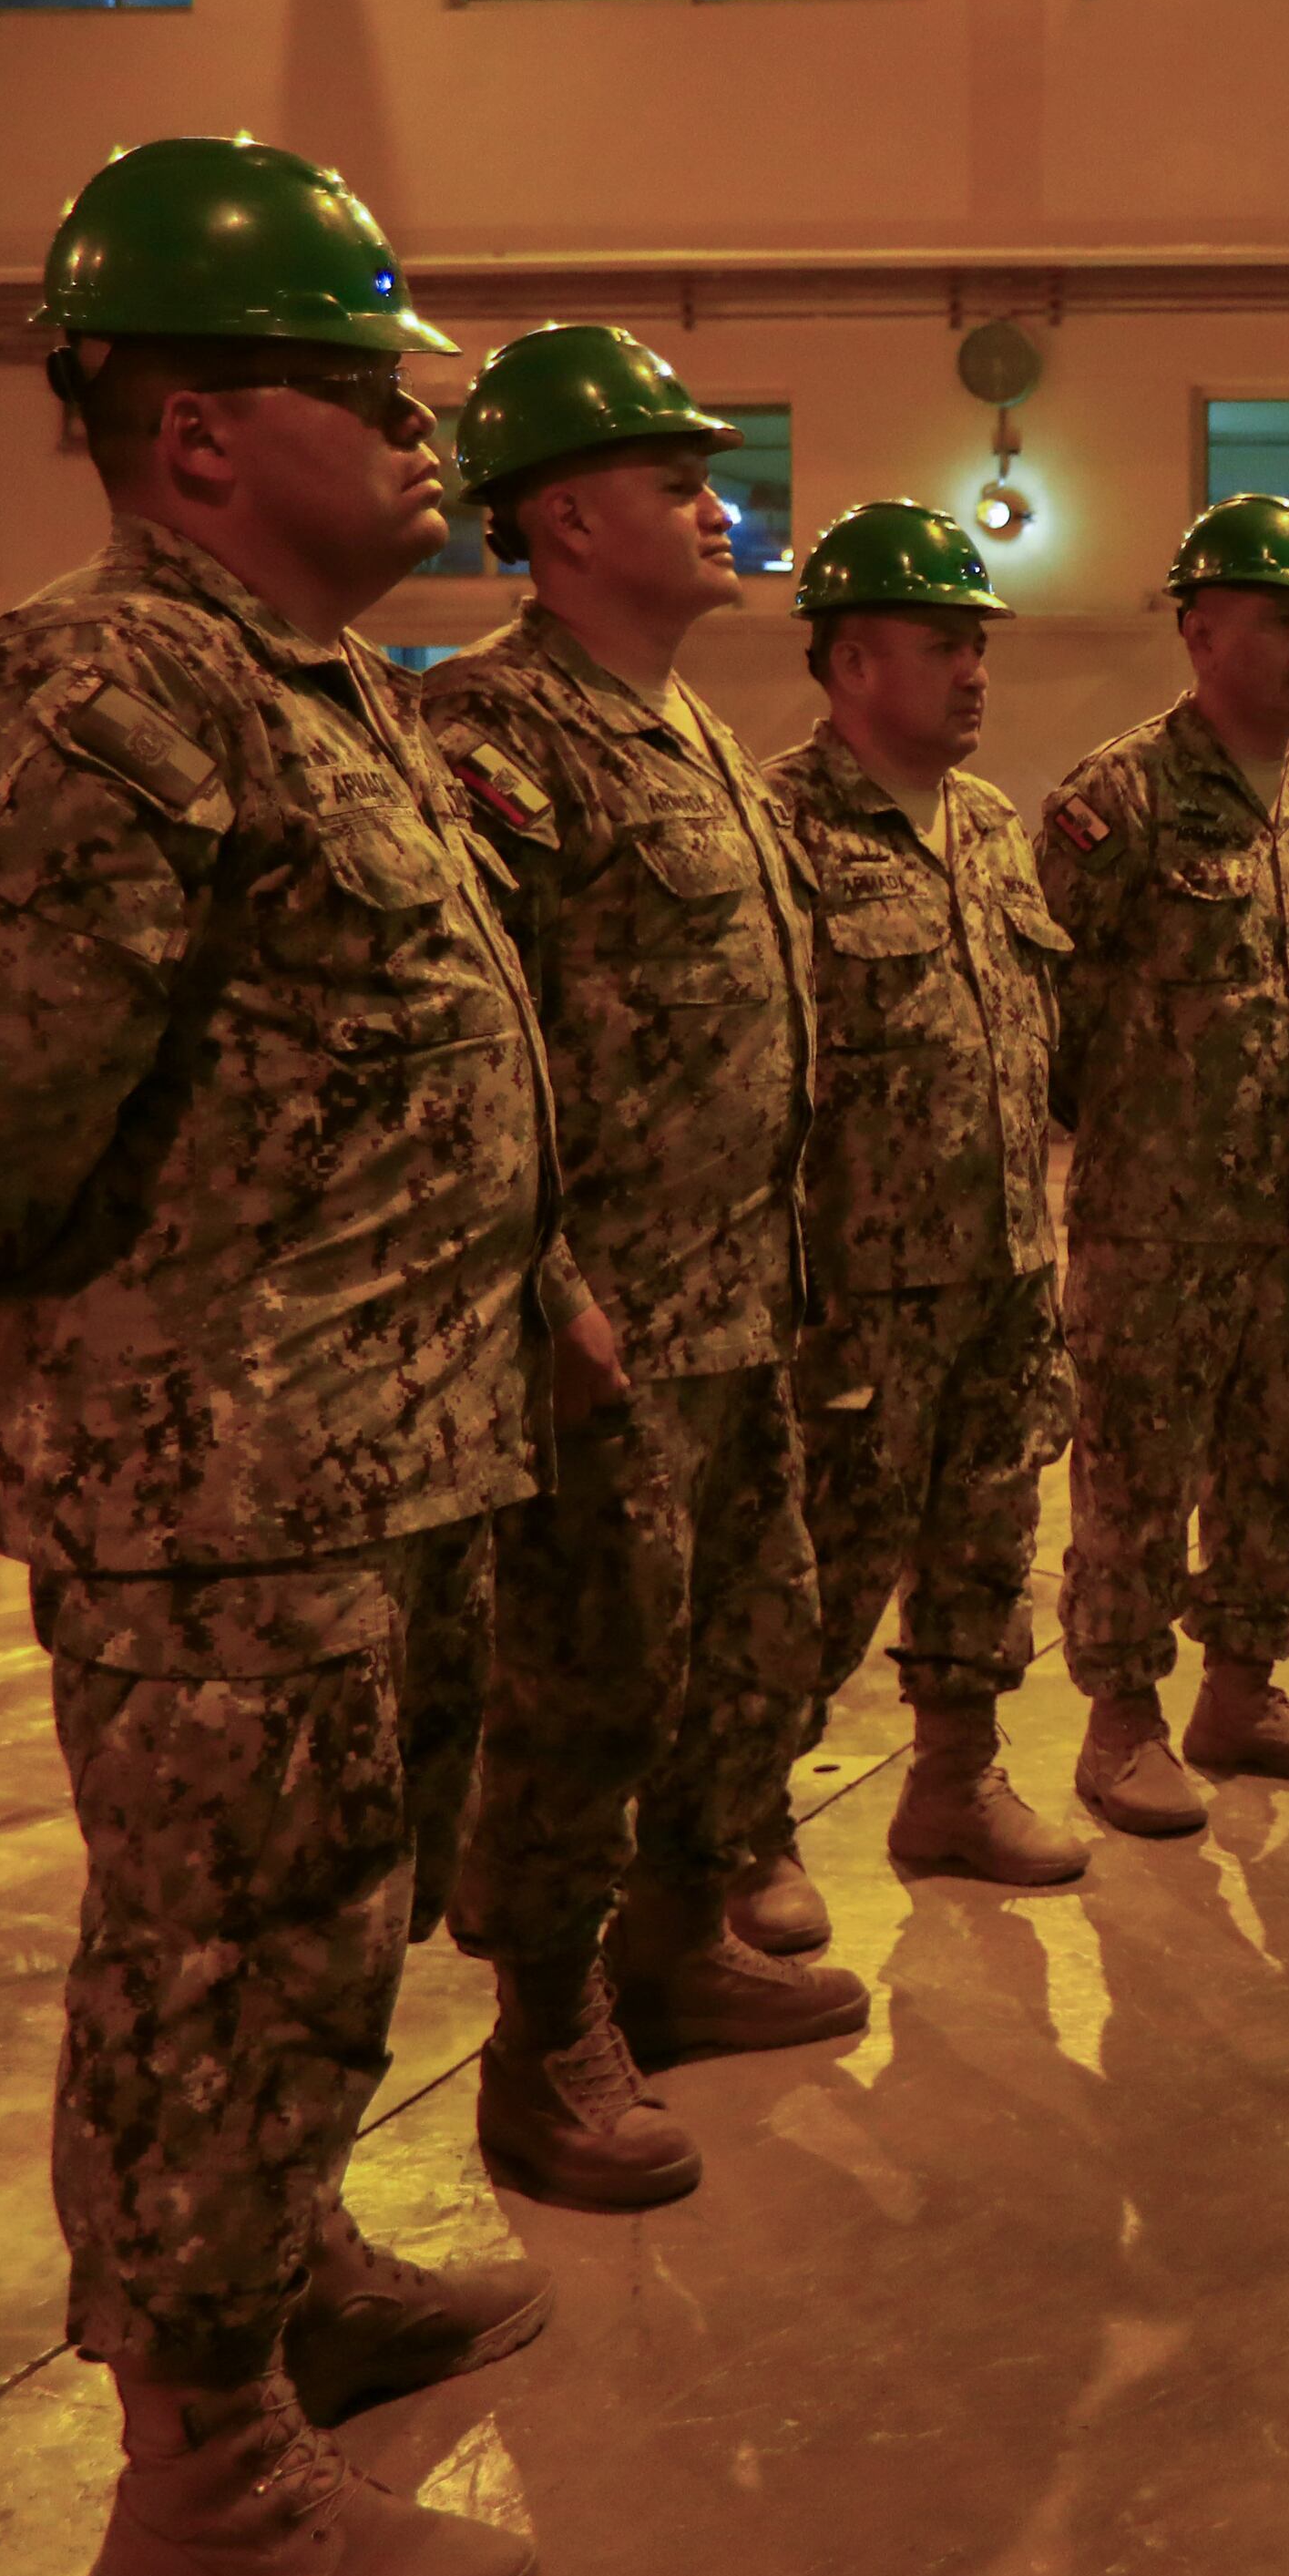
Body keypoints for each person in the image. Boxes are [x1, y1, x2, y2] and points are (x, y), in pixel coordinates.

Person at [0, 136, 551, 2576]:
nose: (421, 425)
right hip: (219, 1486)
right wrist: (1, 1259)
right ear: (201, 433)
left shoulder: (316, 684)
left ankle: (288, 2284)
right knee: (215, 1963)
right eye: (368, 384)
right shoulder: (103, 682)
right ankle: (202, 2489)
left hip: (372, 1456)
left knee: (321, 1950)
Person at [420, 323, 860, 2212]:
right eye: (677, 482)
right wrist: (542, 1293)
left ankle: (677, 1941)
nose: (718, 506)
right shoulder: (492, 738)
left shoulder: (700, 735)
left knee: (738, 1650)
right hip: (602, 1320)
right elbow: (464, 1056)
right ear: (566, 516)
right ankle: (545, 2034)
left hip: (735, 1301)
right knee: (580, 1684)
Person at [1032, 492, 1289, 1835]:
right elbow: (1043, 1017)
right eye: (1283, 618)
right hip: (1156, 1229)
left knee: (1284, 1460)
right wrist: (1147, 1144)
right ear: (1200, 630)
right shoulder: (1113, 801)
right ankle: (1120, 1718)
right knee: (1136, 1471)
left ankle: (1244, 1687)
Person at [756, 501, 1089, 1890]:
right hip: (855, 1294)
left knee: (985, 1549)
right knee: (813, 1579)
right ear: (846, 663)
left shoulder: (994, 825)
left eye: (979, 644)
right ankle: (743, 1827)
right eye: (942, 642)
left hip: (1004, 1274)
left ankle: (955, 1781)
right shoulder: (779, 829)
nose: (975, 671)